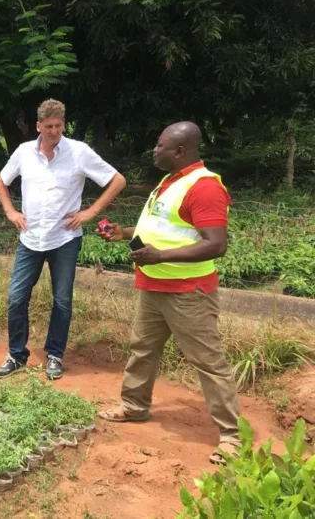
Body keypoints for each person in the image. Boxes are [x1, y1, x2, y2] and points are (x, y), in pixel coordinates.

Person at [96, 121, 240, 465]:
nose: (154, 151)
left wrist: (160, 256)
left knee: (208, 361)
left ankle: (232, 436)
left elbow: (216, 245)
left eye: (161, 146)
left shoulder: (204, 188)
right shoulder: (170, 181)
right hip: (154, 285)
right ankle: (134, 406)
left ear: (180, 151)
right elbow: (160, 227)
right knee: (142, 348)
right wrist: (125, 232)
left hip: (187, 291)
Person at [0, 99, 127, 380]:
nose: (54, 131)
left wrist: (91, 211)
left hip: (65, 239)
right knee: (16, 298)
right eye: (48, 126)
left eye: (58, 125)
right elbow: (0, 181)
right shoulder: (23, 152)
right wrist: (10, 211)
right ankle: (16, 355)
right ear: (38, 126)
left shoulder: (79, 152)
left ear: (63, 124)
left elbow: (117, 180)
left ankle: (54, 355)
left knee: (62, 301)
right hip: (30, 239)